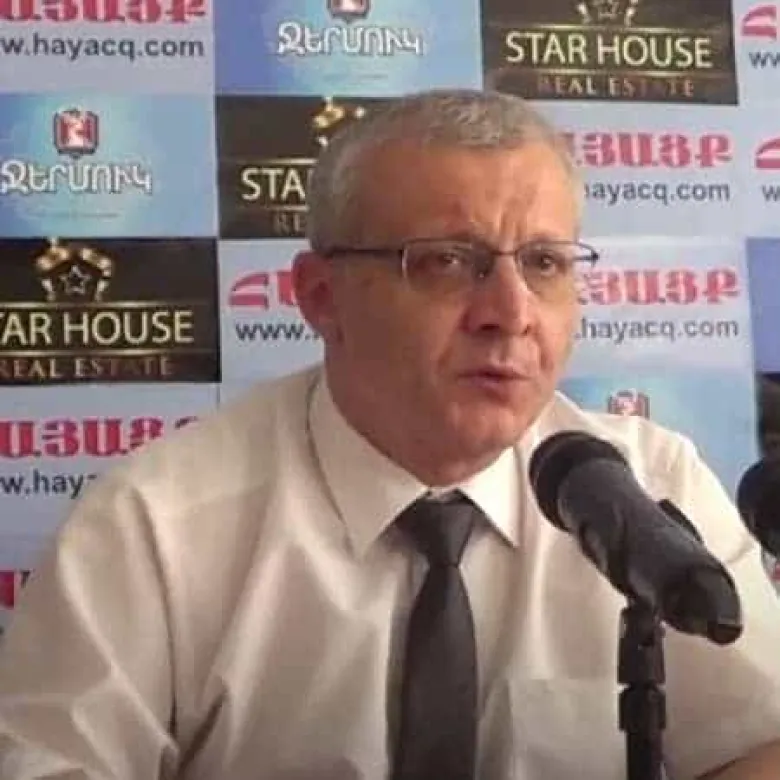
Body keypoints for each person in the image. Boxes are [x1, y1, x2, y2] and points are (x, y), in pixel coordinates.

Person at [0, 88, 779, 780]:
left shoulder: (651, 487)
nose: (510, 314)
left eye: (544, 263)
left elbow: (762, 742)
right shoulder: (153, 523)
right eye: (447, 262)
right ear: (321, 297)